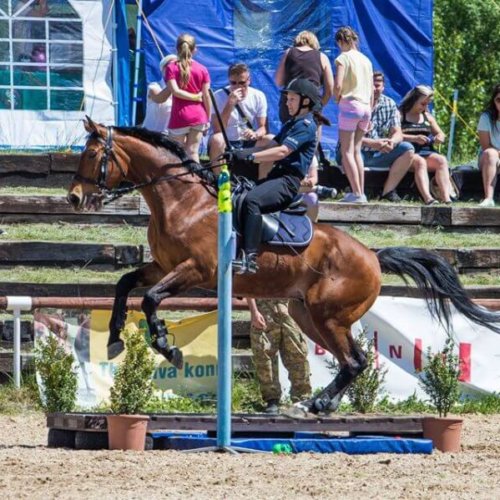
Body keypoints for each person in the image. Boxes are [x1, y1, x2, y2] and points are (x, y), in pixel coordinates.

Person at [230, 78, 321, 274]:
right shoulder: (291, 124)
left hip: (288, 182)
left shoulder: (306, 125)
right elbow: (270, 145)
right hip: (276, 177)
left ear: (305, 102)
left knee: (252, 201)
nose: (287, 103)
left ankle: (250, 258)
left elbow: (281, 152)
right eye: (287, 99)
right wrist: (240, 153)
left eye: (292, 99)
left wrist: (252, 157)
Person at [336, 71, 415, 202]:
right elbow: (346, 138)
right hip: (355, 150)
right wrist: (373, 143)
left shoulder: (390, 104)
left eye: (377, 85)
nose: (374, 88)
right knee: (351, 152)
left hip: (378, 153)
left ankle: (388, 191)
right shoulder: (354, 103)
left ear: (383, 87)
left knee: (407, 149)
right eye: (371, 84)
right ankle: (357, 191)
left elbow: (398, 132)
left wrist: (392, 142)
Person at [275, 30, 335, 195]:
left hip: (290, 102)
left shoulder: (289, 53)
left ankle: (286, 182)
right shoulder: (321, 56)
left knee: (288, 143)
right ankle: (311, 183)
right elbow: (330, 87)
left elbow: (279, 81)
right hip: (312, 104)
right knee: (311, 145)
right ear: (314, 43)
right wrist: (319, 104)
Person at [247, 298, 312, 414]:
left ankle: (302, 399)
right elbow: (248, 286)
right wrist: (254, 312)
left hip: (290, 309)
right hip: (264, 310)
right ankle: (272, 399)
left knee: (298, 354)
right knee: (264, 355)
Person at [334, 26, 373, 203]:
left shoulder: (343, 58)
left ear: (341, 41)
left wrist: (336, 98)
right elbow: (372, 89)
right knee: (357, 150)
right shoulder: (366, 60)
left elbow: (338, 84)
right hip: (366, 106)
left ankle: (356, 193)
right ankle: (360, 191)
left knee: (346, 151)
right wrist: (370, 110)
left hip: (350, 105)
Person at [209, 62, 274, 167]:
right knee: (217, 139)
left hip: (247, 141)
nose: (237, 87)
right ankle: (219, 179)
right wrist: (229, 104)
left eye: (242, 83)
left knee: (271, 139)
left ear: (249, 80)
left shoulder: (258, 96)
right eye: (233, 83)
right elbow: (217, 129)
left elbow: (263, 128)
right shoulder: (219, 96)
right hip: (227, 140)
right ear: (229, 80)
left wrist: (255, 134)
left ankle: (263, 179)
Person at [399, 85, 453, 204]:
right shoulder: (400, 114)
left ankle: (446, 197)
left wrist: (439, 137)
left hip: (426, 151)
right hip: (407, 153)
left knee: (441, 160)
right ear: (413, 100)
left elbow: (441, 134)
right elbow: (394, 136)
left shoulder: (427, 116)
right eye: (422, 104)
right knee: (420, 162)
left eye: (427, 104)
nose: (425, 107)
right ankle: (428, 198)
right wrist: (414, 138)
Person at [165, 33, 211, 162]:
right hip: (199, 116)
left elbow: (175, 91)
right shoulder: (203, 69)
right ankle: (195, 179)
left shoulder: (171, 67)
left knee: (175, 154)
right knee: (193, 152)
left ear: (177, 48)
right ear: (194, 49)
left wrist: (194, 97)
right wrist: (208, 118)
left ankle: (176, 181)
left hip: (180, 116)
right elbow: (206, 96)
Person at [477, 83, 500, 207]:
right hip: (489, 158)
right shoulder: (486, 117)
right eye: (498, 100)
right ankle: (489, 198)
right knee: (490, 153)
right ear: (494, 101)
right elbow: (486, 146)